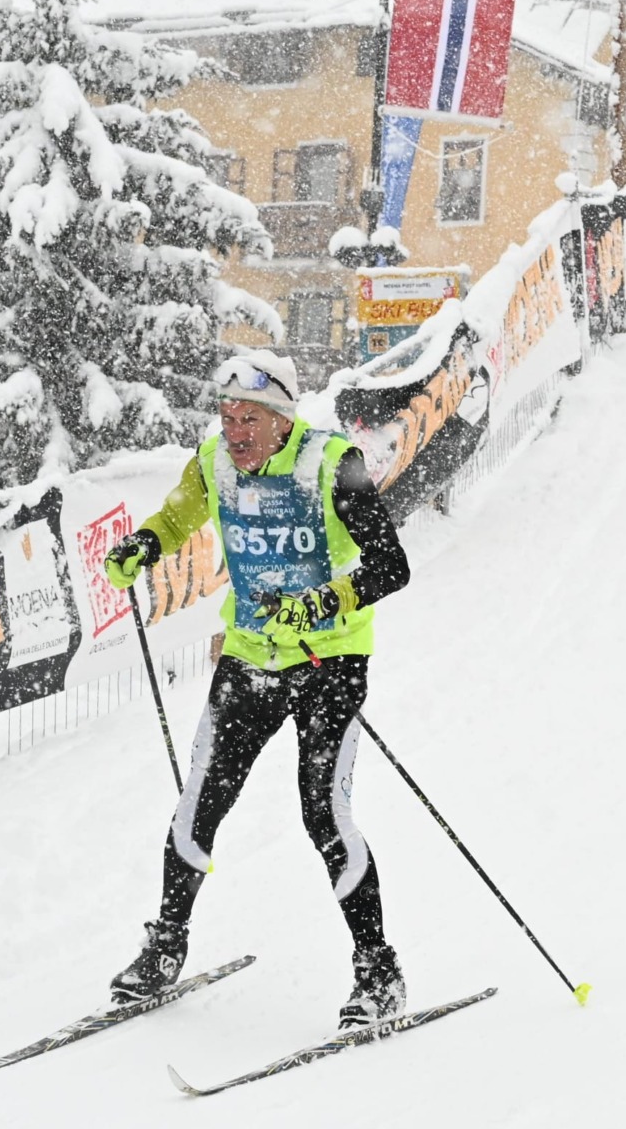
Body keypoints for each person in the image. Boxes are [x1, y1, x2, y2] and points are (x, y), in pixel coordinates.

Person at [103, 348, 411, 1028]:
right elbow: (178, 516)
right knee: (200, 801)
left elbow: (391, 566)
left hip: (329, 661)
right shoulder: (214, 463)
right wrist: (144, 546)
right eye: (226, 416)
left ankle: (377, 969)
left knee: (323, 813)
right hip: (249, 656)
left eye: (249, 418)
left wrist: (319, 604)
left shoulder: (331, 464)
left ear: (281, 419)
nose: (235, 432)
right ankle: (165, 945)